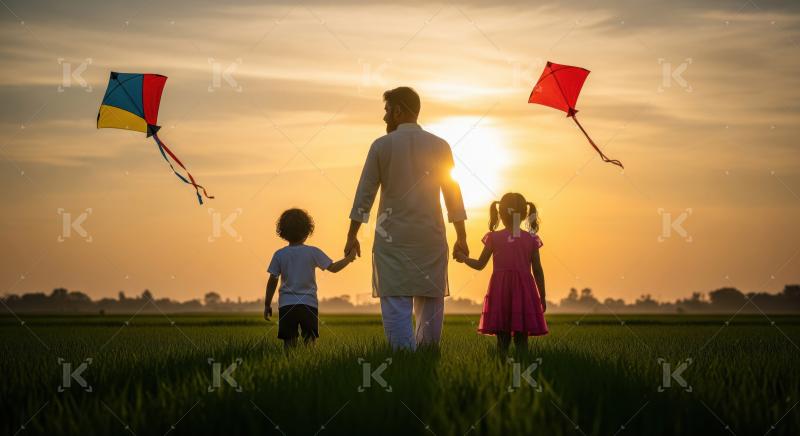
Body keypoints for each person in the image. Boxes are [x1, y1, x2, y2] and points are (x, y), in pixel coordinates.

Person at [345, 86, 468, 350]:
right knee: (431, 300)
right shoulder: (440, 145)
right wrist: (462, 237)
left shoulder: (381, 145)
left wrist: (352, 235)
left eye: (387, 110)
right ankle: (426, 356)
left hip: (393, 240)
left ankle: (403, 359)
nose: (385, 117)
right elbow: (452, 194)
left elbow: (364, 195)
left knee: (395, 302)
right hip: (430, 238)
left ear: (399, 110)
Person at [455, 193, 548, 354]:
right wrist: (542, 296)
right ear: (524, 214)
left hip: (500, 292)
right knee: (522, 340)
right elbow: (538, 270)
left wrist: (463, 258)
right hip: (525, 292)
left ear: (500, 214)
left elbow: (479, 264)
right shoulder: (531, 239)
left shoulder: (494, 238)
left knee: (502, 340)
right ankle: (521, 364)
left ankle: (501, 365)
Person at [264, 208, 355, 350]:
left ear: (283, 232)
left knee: (289, 343)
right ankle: (309, 367)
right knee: (310, 342)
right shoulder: (312, 252)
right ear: (307, 231)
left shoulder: (279, 255)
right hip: (308, 304)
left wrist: (267, 304)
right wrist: (348, 259)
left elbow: (272, 281)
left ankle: (289, 368)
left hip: (286, 305)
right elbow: (333, 268)